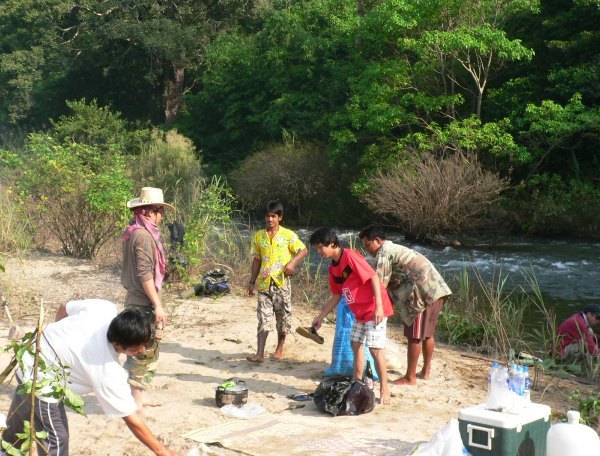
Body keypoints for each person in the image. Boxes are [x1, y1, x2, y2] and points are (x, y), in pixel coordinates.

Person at [2, 299, 179, 456]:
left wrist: (57, 339)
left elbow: (65, 306)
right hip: (40, 378)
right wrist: (162, 451)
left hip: (27, 353)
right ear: (117, 344)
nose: (142, 351)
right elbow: (131, 418)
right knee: (57, 437)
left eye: (144, 344)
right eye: (135, 348)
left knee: (22, 412)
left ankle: (5, 450)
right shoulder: (107, 371)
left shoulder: (103, 309)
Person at [359, 224, 452, 386]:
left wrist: (371, 304)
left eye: (368, 245)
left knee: (414, 336)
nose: (367, 250)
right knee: (427, 334)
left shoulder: (384, 253)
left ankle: (410, 377)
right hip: (436, 290)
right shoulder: (392, 249)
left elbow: (381, 283)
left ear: (378, 240)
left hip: (421, 294)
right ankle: (425, 371)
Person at [310, 227, 393, 404]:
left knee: (375, 349)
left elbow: (373, 277)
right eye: (316, 249)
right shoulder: (333, 269)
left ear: (332, 244)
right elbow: (336, 295)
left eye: (320, 247)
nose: (319, 252)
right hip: (360, 312)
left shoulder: (350, 256)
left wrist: (378, 306)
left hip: (374, 308)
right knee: (355, 343)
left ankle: (384, 388)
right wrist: (321, 316)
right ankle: (357, 383)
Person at [121, 187, 175, 408]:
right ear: (148, 212)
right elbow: (144, 274)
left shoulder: (134, 231)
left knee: (139, 349)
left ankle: (136, 396)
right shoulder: (143, 236)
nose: (161, 216)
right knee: (142, 351)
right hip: (142, 304)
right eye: (159, 211)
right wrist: (157, 305)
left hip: (135, 300)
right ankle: (136, 400)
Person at [246, 201, 307, 362]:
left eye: (273, 216)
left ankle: (280, 348)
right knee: (263, 317)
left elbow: (303, 250)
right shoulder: (259, 237)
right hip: (264, 283)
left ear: (280, 217)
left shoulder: (288, 235)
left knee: (283, 317)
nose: (270, 219)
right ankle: (259, 353)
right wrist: (252, 281)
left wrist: (292, 263)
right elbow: (257, 260)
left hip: (282, 283)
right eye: (267, 216)